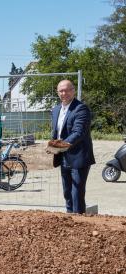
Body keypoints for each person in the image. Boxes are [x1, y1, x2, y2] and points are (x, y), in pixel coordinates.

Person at [50, 79, 95, 214]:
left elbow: (78, 132)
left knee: (77, 194)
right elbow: (56, 132)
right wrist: (52, 146)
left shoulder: (81, 108)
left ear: (73, 91)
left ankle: (79, 222)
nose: (64, 93)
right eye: (61, 91)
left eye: (67, 90)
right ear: (57, 93)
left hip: (79, 157)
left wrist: (60, 145)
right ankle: (70, 220)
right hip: (63, 156)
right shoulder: (56, 109)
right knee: (67, 192)